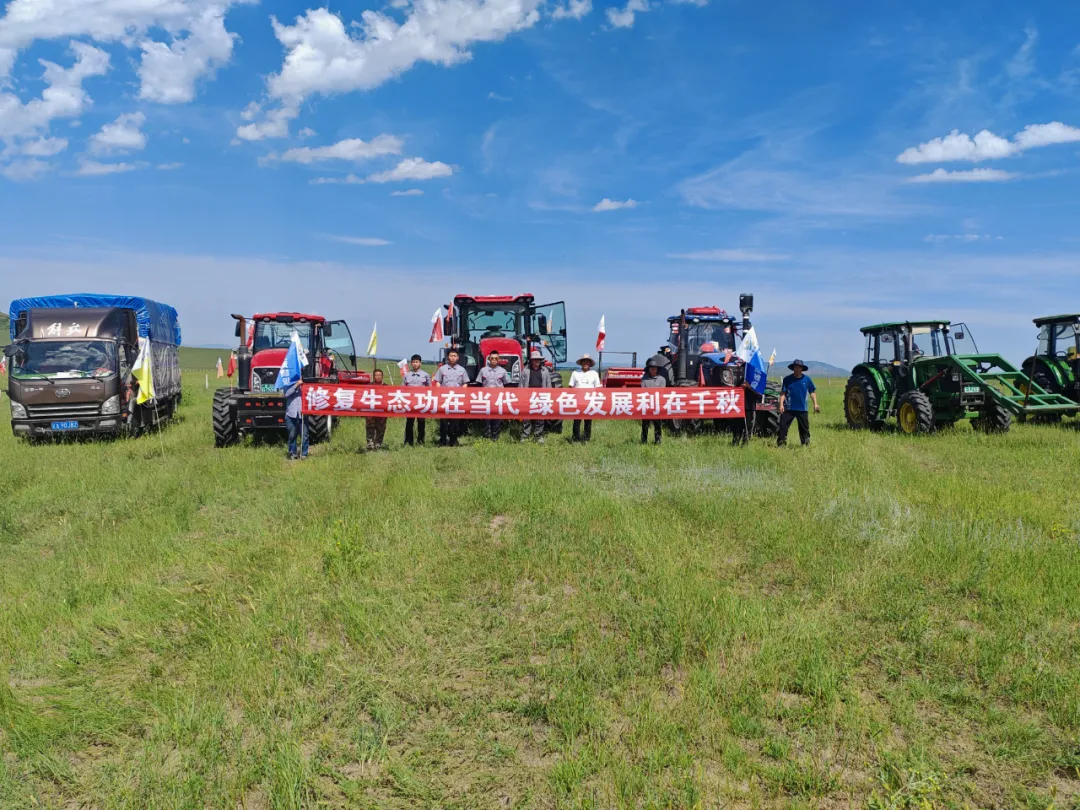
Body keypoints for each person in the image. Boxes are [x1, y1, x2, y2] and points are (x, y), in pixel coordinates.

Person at [777, 359, 819, 447]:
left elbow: (812, 392)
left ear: (802, 369)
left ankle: (805, 445)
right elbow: (783, 393)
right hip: (789, 408)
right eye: (795, 367)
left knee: (804, 428)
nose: (797, 369)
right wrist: (781, 405)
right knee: (783, 427)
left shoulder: (807, 379)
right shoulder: (787, 379)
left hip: (802, 408)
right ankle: (781, 444)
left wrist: (815, 404)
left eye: (799, 367)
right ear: (793, 368)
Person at [433, 348, 470, 446]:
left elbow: (465, 383)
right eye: (451, 356)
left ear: (458, 357)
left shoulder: (462, 370)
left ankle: (453, 440)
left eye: (454, 356)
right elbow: (438, 382)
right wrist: (439, 394)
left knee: (455, 421)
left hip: (456, 399)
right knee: (443, 420)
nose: (453, 358)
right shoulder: (442, 369)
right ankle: (443, 440)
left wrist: (462, 395)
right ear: (447, 357)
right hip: (444, 398)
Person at [518, 350, 552, 443]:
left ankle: (538, 436)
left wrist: (549, 395)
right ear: (531, 360)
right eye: (535, 359)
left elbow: (548, 384)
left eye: (539, 359)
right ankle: (525, 435)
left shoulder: (545, 371)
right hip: (528, 396)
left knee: (540, 417)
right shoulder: (525, 371)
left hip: (541, 397)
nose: (537, 361)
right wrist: (521, 396)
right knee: (526, 417)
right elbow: (521, 384)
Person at [569, 353, 601, 442]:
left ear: (590, 363)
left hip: (589, 402)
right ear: (581, 363)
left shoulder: (594, 373)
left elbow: (597, 388)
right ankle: (575, 438)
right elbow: (571, 386)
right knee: (577, 421)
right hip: (578, 401)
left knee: (588, 421)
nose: (586, 363)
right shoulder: (575, 373)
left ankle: (586, 438)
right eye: (584, 361)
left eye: (587, 361)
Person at [477, 350, 508, 440]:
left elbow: (507, 384)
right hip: (486, 398)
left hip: (498, 398)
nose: (494, 360)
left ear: (499, 359)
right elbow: (479, 384)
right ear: (489, 359)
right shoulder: (483, 370)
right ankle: (486, 437)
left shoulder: (503, 371)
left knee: (497, 418)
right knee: (486, 419)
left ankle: (495, 437)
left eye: (496, 358)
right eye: (492, 358)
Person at [402, 354, 431, 446]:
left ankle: (421, 441)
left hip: (421, 402)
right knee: (409, 422)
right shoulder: (407, 375)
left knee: (421, 422)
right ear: (411, 363)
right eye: (413, 362)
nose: (415, 364)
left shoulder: (425, 375)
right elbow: (402, 389)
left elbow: (430, 389)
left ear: (420, 363)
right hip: (410, 402)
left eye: (417, 362)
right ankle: (408, 441)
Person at [640, 358, 666, 444]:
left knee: (657, 424)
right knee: (645, 424)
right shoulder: (644, 379)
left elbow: (662, 392)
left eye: (654, 367)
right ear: (648, 369)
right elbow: (642, 391)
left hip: (657, 405)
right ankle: (643, 441)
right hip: (647, 404)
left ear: (657, 369)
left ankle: (658, 441)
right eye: (651, 367)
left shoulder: (662, 379)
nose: (653, 369)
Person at [284, 378, 308, 460]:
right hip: (291, 414)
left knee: (304, 435)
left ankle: (304, 453)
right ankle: (292, 452)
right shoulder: (287, 383)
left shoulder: (305, 384)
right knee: (292, 435)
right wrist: (296, 385)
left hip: (303, 413)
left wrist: (302, 385)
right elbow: (286, 394)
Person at [365, 368, 388, 450]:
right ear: (373, 376)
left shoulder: (386, 387)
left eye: (379, 375)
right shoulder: (369, 386)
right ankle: (370, 444)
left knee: (381, 427)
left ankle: (378, 444)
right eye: (376, 375)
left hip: (382, 411)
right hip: (371, 411)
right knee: (370, 427)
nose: (378, 377)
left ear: (382, 376)